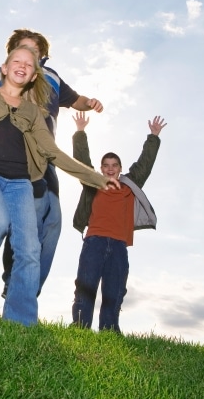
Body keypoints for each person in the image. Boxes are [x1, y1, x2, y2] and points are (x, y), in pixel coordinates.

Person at [0, 26, 119, 326]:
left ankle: (19, 324)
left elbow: (54, 153)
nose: (24, 64)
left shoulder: (35, 113)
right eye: (17, 59)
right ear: (4, 67)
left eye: (31, 61)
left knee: (31, 247)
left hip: (22, 179)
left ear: (37, 72)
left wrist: (96, 179)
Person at [0, 29, 105, 299]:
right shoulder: (2, 73)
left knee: (53, 221)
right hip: (16, 152)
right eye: (23, 49)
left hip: (46, 154)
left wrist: (90, 102)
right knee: (27, 217)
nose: (29, 56)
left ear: (42, 56)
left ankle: (29, 287)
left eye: (35, 51)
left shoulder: (52, 77)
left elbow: (75, 99)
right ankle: (14, 279)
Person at [70, 111, 167, 333]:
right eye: (106, 165)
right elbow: (82, 162)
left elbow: (145, 164)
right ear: (102, 168)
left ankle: (110, 330)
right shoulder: (94, 183)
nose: (111, 168)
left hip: (118, 245)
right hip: (94, 241)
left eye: (115, 165)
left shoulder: (129, 186)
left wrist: (153, 136)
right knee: (85, 285)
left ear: (121, 169)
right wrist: (80, 132)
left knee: (115, 290)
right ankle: (79, 328)